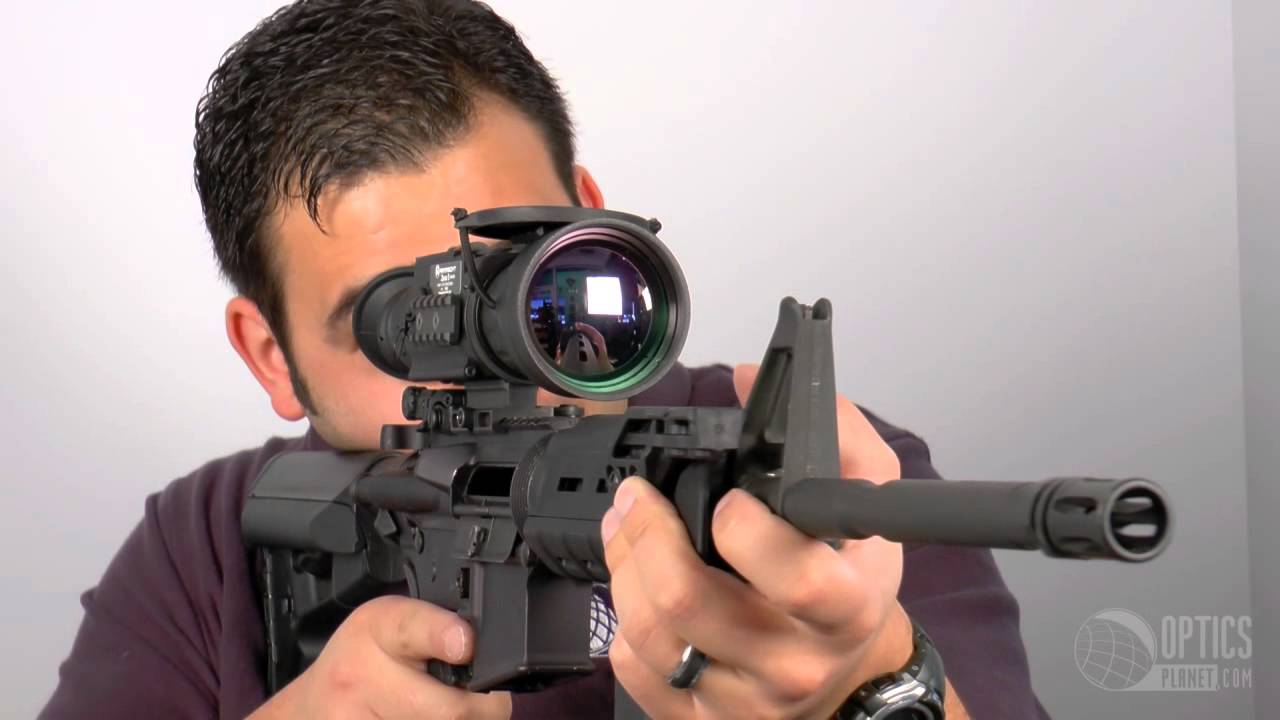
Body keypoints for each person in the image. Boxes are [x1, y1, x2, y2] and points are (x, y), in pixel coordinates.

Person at [39, 2, 1048, 718]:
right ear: (271, 355)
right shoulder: (204, 548)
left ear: (591, 221)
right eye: (398, 323)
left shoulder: (831, 487)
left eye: (520, 284)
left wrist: (873, 686)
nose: (488, 369)